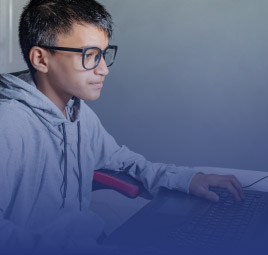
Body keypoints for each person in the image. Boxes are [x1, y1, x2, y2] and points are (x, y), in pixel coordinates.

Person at [0, 0, 244, 254]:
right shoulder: (9, 124)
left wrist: (187, 179)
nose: (104, 69)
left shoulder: (79, 113)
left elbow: (123, 161)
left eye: (103, 54)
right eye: (90, 56)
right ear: (41, 58)